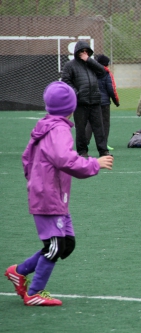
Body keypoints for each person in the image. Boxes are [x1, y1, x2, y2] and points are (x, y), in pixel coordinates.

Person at [4, 82, 114, 306]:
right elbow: (65, 159)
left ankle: (18, 272)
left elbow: (26, 158)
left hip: (51, 194)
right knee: (55, 246)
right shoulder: (59, 129)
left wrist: (35, 180)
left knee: (67, 244)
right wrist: (94, 163)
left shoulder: (45, 125)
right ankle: (35, 292)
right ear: (71, 107)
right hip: (48, 196)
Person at [61, 40, 110, 158]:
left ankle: (103, 151)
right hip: (80, 102)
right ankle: (82, 152)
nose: (84, 53)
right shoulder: (70, 65)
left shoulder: (91, 63)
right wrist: (76, 93)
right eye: (81, 51)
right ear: (76, 52)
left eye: (86, 51)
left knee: (99, 128)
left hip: (95, 101)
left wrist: (89, 60)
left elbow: (103, 71)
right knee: (81, 129)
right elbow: (66, 81)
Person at [85, 54, 120, 150]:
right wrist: (116, 101)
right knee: (105, 123)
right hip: (104, 103)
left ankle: (85, 143)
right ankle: (104, 144)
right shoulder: (107, 73)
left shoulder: (90, 72)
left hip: (92, 102)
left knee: (90, 123)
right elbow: (111, 89)